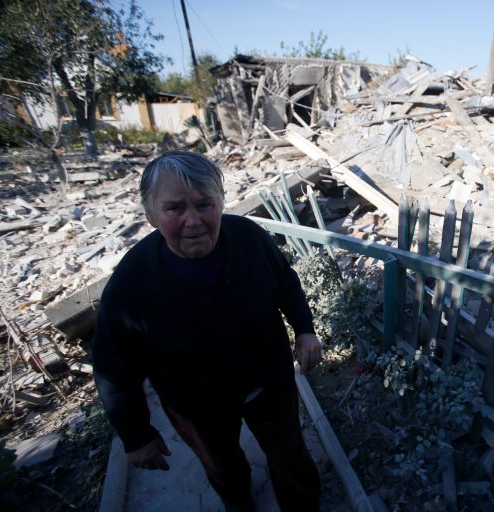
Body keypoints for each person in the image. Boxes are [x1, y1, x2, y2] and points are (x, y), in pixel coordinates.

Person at [92, 150, 322, 511]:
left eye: (204, 204)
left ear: (220, 202)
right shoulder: (131, 283)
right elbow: (113, 367)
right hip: (196, 407)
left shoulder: (249, 238)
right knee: (223, 469)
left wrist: (305, 330)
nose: (193, 220)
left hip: (269, 384)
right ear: (151, 214)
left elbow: (286, 283)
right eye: (175, 208)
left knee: (289, 454)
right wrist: (137, 436)